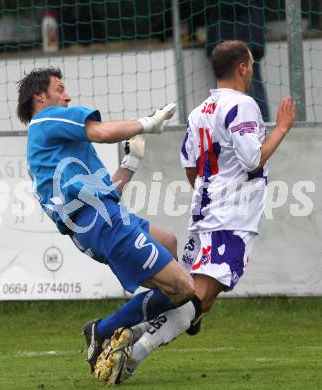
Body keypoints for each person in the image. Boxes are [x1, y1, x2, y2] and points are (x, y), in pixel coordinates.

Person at [103, 40, 295, 384]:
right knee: (201, 296)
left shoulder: (200, 111)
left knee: (193, 293)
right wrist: (280, 128)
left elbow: (191, 167)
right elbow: (252, 159)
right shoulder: (244, 105)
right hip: (232, 218)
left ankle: (130, 335)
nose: (251, 70)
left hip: (206, 210)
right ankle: (132, 348)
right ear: (242, 68)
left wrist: (212, 191)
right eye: (250, 64)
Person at [16, 67, 200, 384]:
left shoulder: (53, 148)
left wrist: (131, 163)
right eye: (60, 89)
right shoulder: (45, 121)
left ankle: (165, 313)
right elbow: (100, 132)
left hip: (101, 222)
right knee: (184, 289)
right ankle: (102, 329)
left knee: (168, 242)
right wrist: (148, 123)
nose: (67, 96)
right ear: (40, 97)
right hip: (104, 224)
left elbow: (103, 196)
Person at [204, 0, 270, 122]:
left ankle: (261, 129)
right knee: (226, 93)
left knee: (252, 89)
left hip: (244, 39)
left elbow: (228, 5)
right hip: (233, 39)